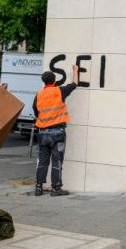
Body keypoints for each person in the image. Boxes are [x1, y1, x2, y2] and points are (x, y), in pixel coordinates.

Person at [33, 65, 79, 197]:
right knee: (57, 161)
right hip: (57, 133)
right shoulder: (59, 91)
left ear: (44, 81)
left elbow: (36, 111)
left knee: (42, 161)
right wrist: (75, 70)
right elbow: (75, 84)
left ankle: (38, 188)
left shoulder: (39, 95)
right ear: (54, 81)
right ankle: (56, 188)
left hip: (42, 134)